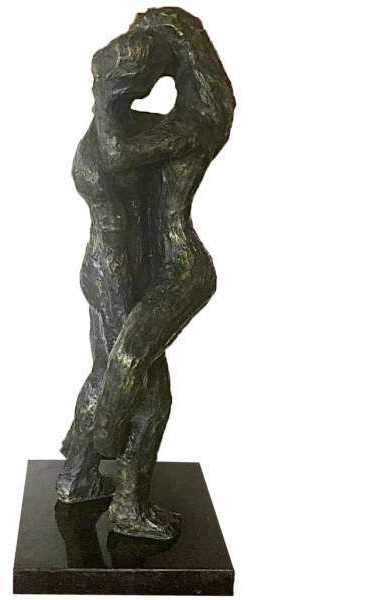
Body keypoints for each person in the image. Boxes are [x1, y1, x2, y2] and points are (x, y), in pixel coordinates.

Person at [58, 7, 235, 540]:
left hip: (170, 270)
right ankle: (90, 482)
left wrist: (141, 57)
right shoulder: (113, 136)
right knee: (137, 380)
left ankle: (99, 467)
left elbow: (120, 155)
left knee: (130, 370)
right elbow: (115, 158)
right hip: (108, 271)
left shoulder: (178, 130)